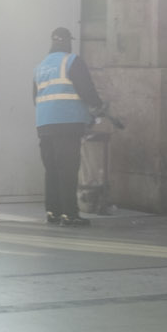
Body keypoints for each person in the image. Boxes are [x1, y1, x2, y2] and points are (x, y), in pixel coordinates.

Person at [33, 26, 105, 227]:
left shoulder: (40, 67)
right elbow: (86, 89)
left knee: (52, 169)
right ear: (68, 42)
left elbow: (35, 97)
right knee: (67, 169)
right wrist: (98, 105)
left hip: (44, 124)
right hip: (66, 123)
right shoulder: (72, 61)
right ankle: (70, 215)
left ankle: (53, 212)